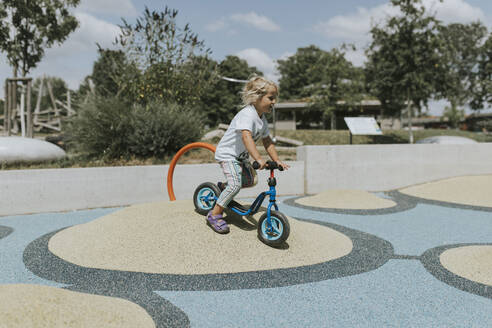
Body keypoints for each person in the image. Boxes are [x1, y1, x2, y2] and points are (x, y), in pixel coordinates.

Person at [207, 76, 290, 234]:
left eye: (275, 98)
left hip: (240, 157)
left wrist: (277, 160)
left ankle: (223, 189)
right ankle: (215, 214)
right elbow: (246, 137)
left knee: (251, 180)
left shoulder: (262, 119)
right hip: (228, 155)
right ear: (257, 97)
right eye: (271, 98)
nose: (274, 102)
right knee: (235, 185)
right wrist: (258, 159)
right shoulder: (247, 114)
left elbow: (267, 142)